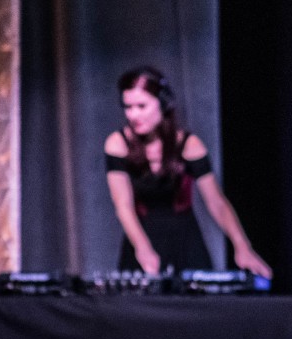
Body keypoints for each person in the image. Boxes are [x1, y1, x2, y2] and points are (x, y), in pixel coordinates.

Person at [104, 66, 272, 278]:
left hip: (185, 241)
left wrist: (242, 246)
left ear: (163, 103)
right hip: (141, 241)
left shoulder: (188, 144)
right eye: (128, 107)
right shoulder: (118, 143)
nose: (133, 114)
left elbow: (216, 202)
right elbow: (123, 205)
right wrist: (143, 248)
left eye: (141, 106)